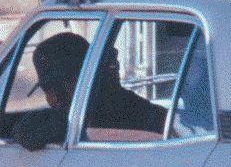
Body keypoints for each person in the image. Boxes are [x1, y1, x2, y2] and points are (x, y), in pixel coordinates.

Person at [10, 32, 165, 151]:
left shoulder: (128, 112)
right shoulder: (66, 117)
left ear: (87, 77)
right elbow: (25, 133)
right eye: (48, 89)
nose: (55, 97)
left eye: (64, 83)